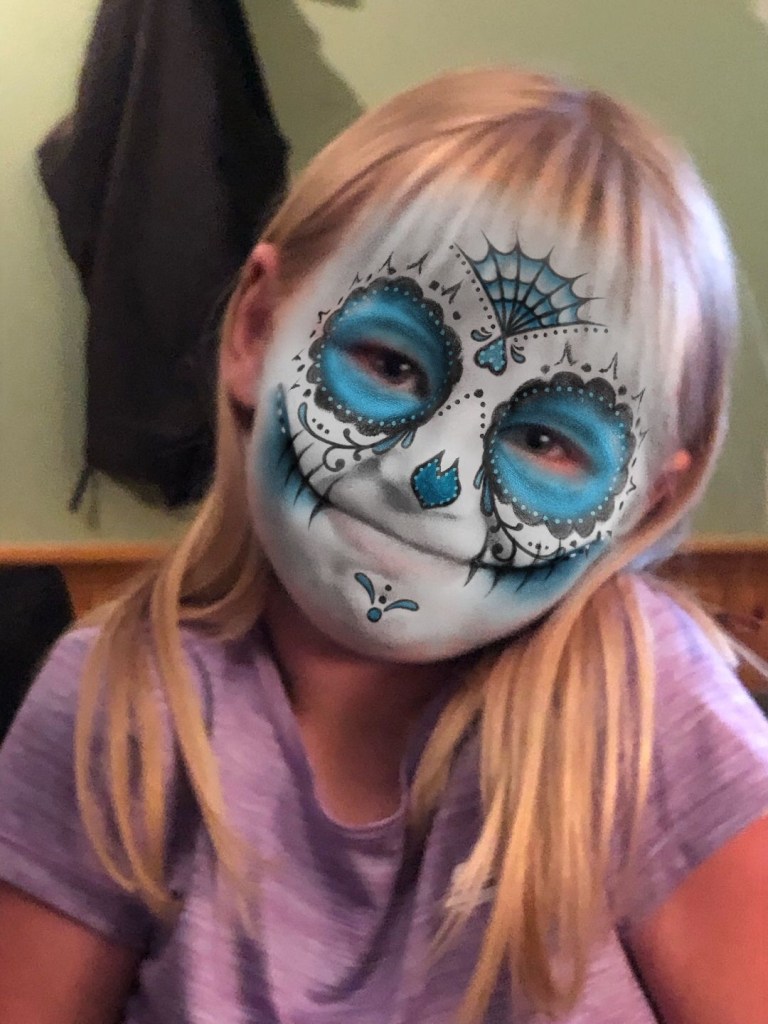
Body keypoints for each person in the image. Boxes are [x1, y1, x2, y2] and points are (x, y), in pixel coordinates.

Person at [0, 68, 766, 1024]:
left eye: (544, 440)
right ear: (257, 328)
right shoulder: (119, 704)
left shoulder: (648, 708)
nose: (434, 475)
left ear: (645, 505)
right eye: (391, 364)